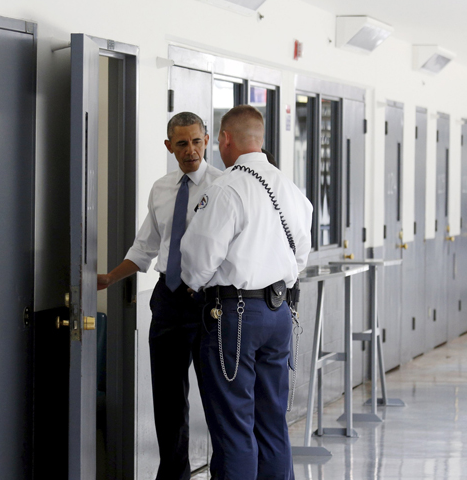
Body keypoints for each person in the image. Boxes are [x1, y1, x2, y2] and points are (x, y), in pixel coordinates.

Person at [180, 105, 313, 480]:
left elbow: (197, 260)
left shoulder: (225, 187)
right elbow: (301, 254)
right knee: (272, 423)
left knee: (234, 427)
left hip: (233, 318)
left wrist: (195, 281)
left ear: (224, 139)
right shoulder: (289, 188)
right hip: (279, 313)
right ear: (260, 138)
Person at [97, 112, 222, 480]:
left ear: (208, 139)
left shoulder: (223, 186)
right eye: (182, 144)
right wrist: (109, 278)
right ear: (169, 146)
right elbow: (145, 247)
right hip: (168, 301)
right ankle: (173, 476)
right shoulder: (162, 188)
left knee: (219, 397)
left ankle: (226, 471)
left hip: (209, 302)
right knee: (168, 402)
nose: (191, 150)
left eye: (197, 141)